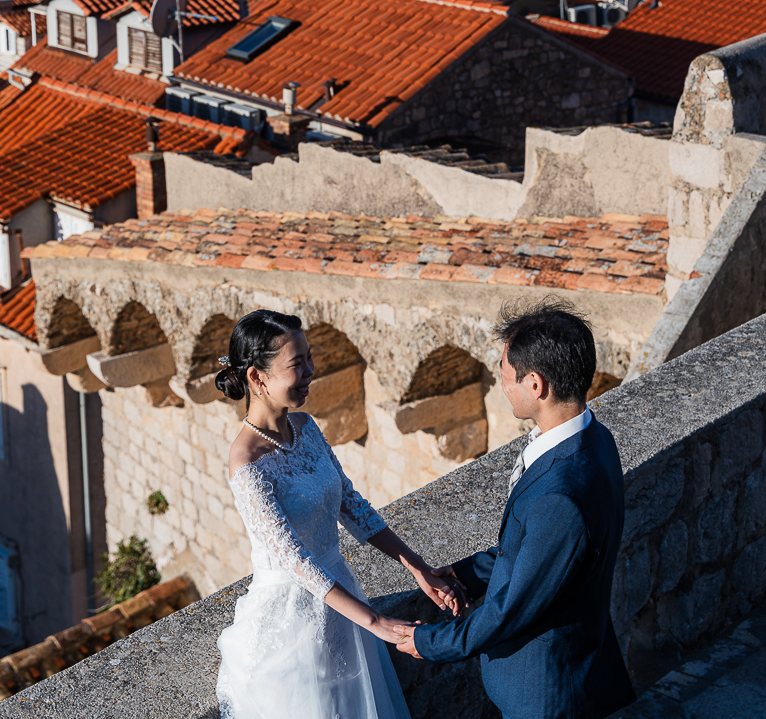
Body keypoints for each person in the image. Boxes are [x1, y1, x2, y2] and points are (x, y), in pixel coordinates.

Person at [215, 309, 465, 719]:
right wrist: (377, 623)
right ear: (257, 379)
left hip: (341, 599)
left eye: (309, 357)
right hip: (291, 619)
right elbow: (295, 561)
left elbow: (351, 504)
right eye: (297, 365)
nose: (311, 371)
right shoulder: (246, 463)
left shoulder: (306, 426)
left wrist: (418, 568)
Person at [396, 298, 636, 719]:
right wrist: (464, 576)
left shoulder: (560, 496)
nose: (501, 384)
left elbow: (512, 609)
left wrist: (429, 642)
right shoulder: (597, 439)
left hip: (547, 690)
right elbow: (535, 552)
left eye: (506, 377)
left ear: (536, 385)